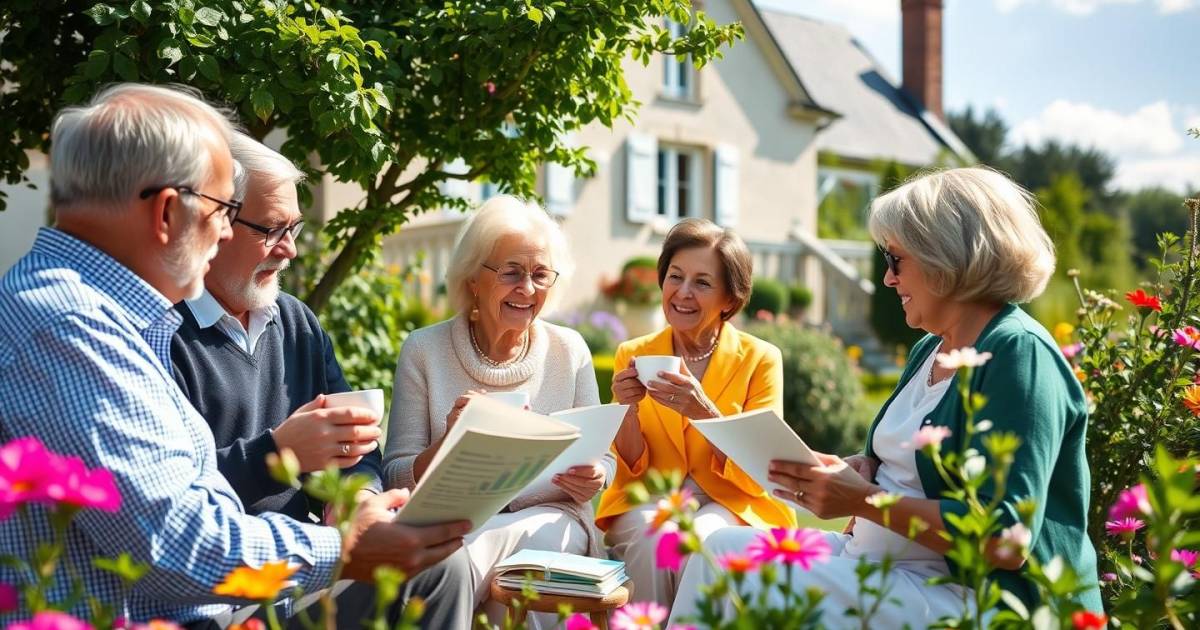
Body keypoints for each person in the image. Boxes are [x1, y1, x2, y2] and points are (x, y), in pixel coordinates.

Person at [0, 84, 471, 628]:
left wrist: (351, 506)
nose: (224, 232)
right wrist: (340, 545)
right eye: (225, 210)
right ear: (168, 214)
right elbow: (176, 542)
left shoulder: (102, 314)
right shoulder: (71, 327)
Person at [669, 167, 1103, 627]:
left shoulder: (1019, 353)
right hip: (886, 567)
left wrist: (864, 501)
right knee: (718, 548)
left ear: (947, 259)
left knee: (753, 579)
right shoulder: (931, 348)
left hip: (969, 595)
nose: (889, 279)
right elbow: (911, 466)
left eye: (896, 259)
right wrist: (864, 467)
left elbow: (1006, 539)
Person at [382, 195, 611, 628]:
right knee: (490, 572)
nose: (527, 289)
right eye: (511, 273)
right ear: (473, 278)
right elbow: (395, 474)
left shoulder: (570, 349)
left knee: (469, 559)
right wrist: (451, 439)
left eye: (540, 274)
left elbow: (605, 459)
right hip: (451, 522)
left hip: (553, 517)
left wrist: (596, 476)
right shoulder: (424, 350)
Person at [171, 133, 382, 523]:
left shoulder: (296, 322)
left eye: (294, 228)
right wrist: (277, 453)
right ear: (213, 223)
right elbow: (165, 494)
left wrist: (359, 498)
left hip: (311, 558)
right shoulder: (161, 331)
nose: (290, 249)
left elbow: (356, 445)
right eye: (271, 229)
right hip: (221, 566)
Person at [595, 218, 797, 611]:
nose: (682, 293)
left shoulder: (761, 359)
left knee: (702, 540)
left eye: (702, 283)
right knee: (654, 537)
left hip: (735, 501)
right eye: (675, 277)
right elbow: (631, 468)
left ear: (730, 298)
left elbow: (762, 469)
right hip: (653, 496)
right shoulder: (632, 354)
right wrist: (627, 409)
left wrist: (703, 410)